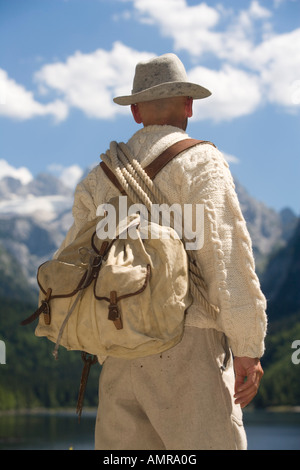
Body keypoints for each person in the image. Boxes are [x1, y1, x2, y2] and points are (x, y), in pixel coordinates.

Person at [57, 53, 267, 450]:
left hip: (119, 347)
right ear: (189, 105)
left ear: (135, 112)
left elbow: (75, 260)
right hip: (188, 346)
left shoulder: (100, 178)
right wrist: (247, 347)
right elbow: (227, 259)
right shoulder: (201, 162)